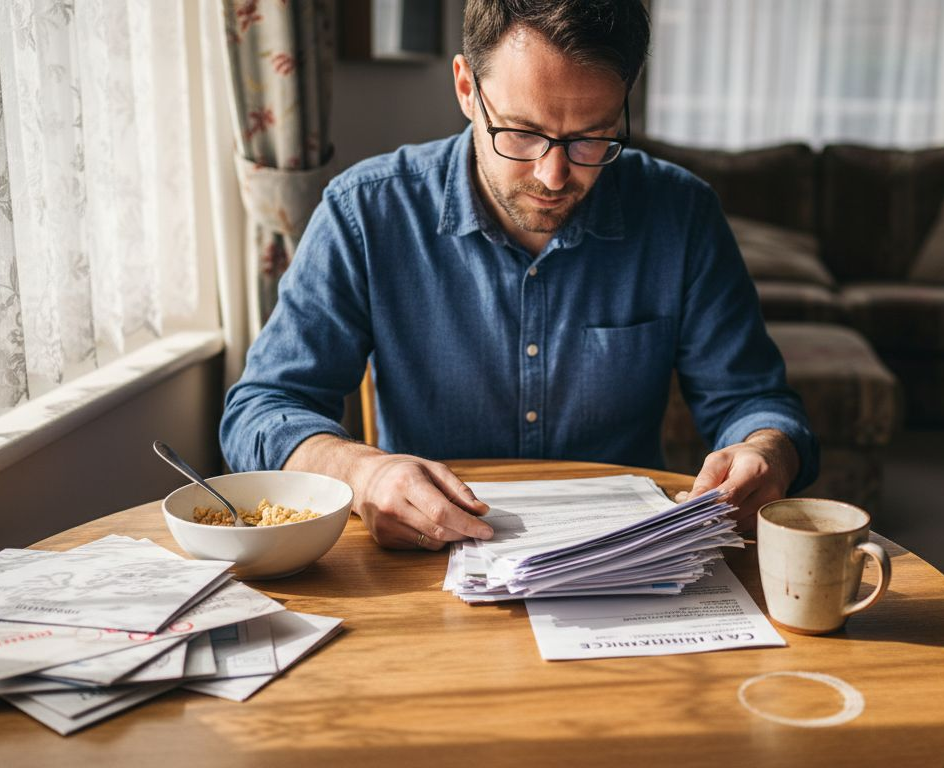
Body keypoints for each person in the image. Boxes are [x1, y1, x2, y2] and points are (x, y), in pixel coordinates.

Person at [220, 0, 817, 551]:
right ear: (466, 89)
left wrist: (767, 451)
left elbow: (753, 399)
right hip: (432, 562)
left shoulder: (682, 215)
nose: (554, 175)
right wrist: (361, 469)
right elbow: (261, 408)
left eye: (591, 138)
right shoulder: (366, 213)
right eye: (523, 133)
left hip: (625, 562)